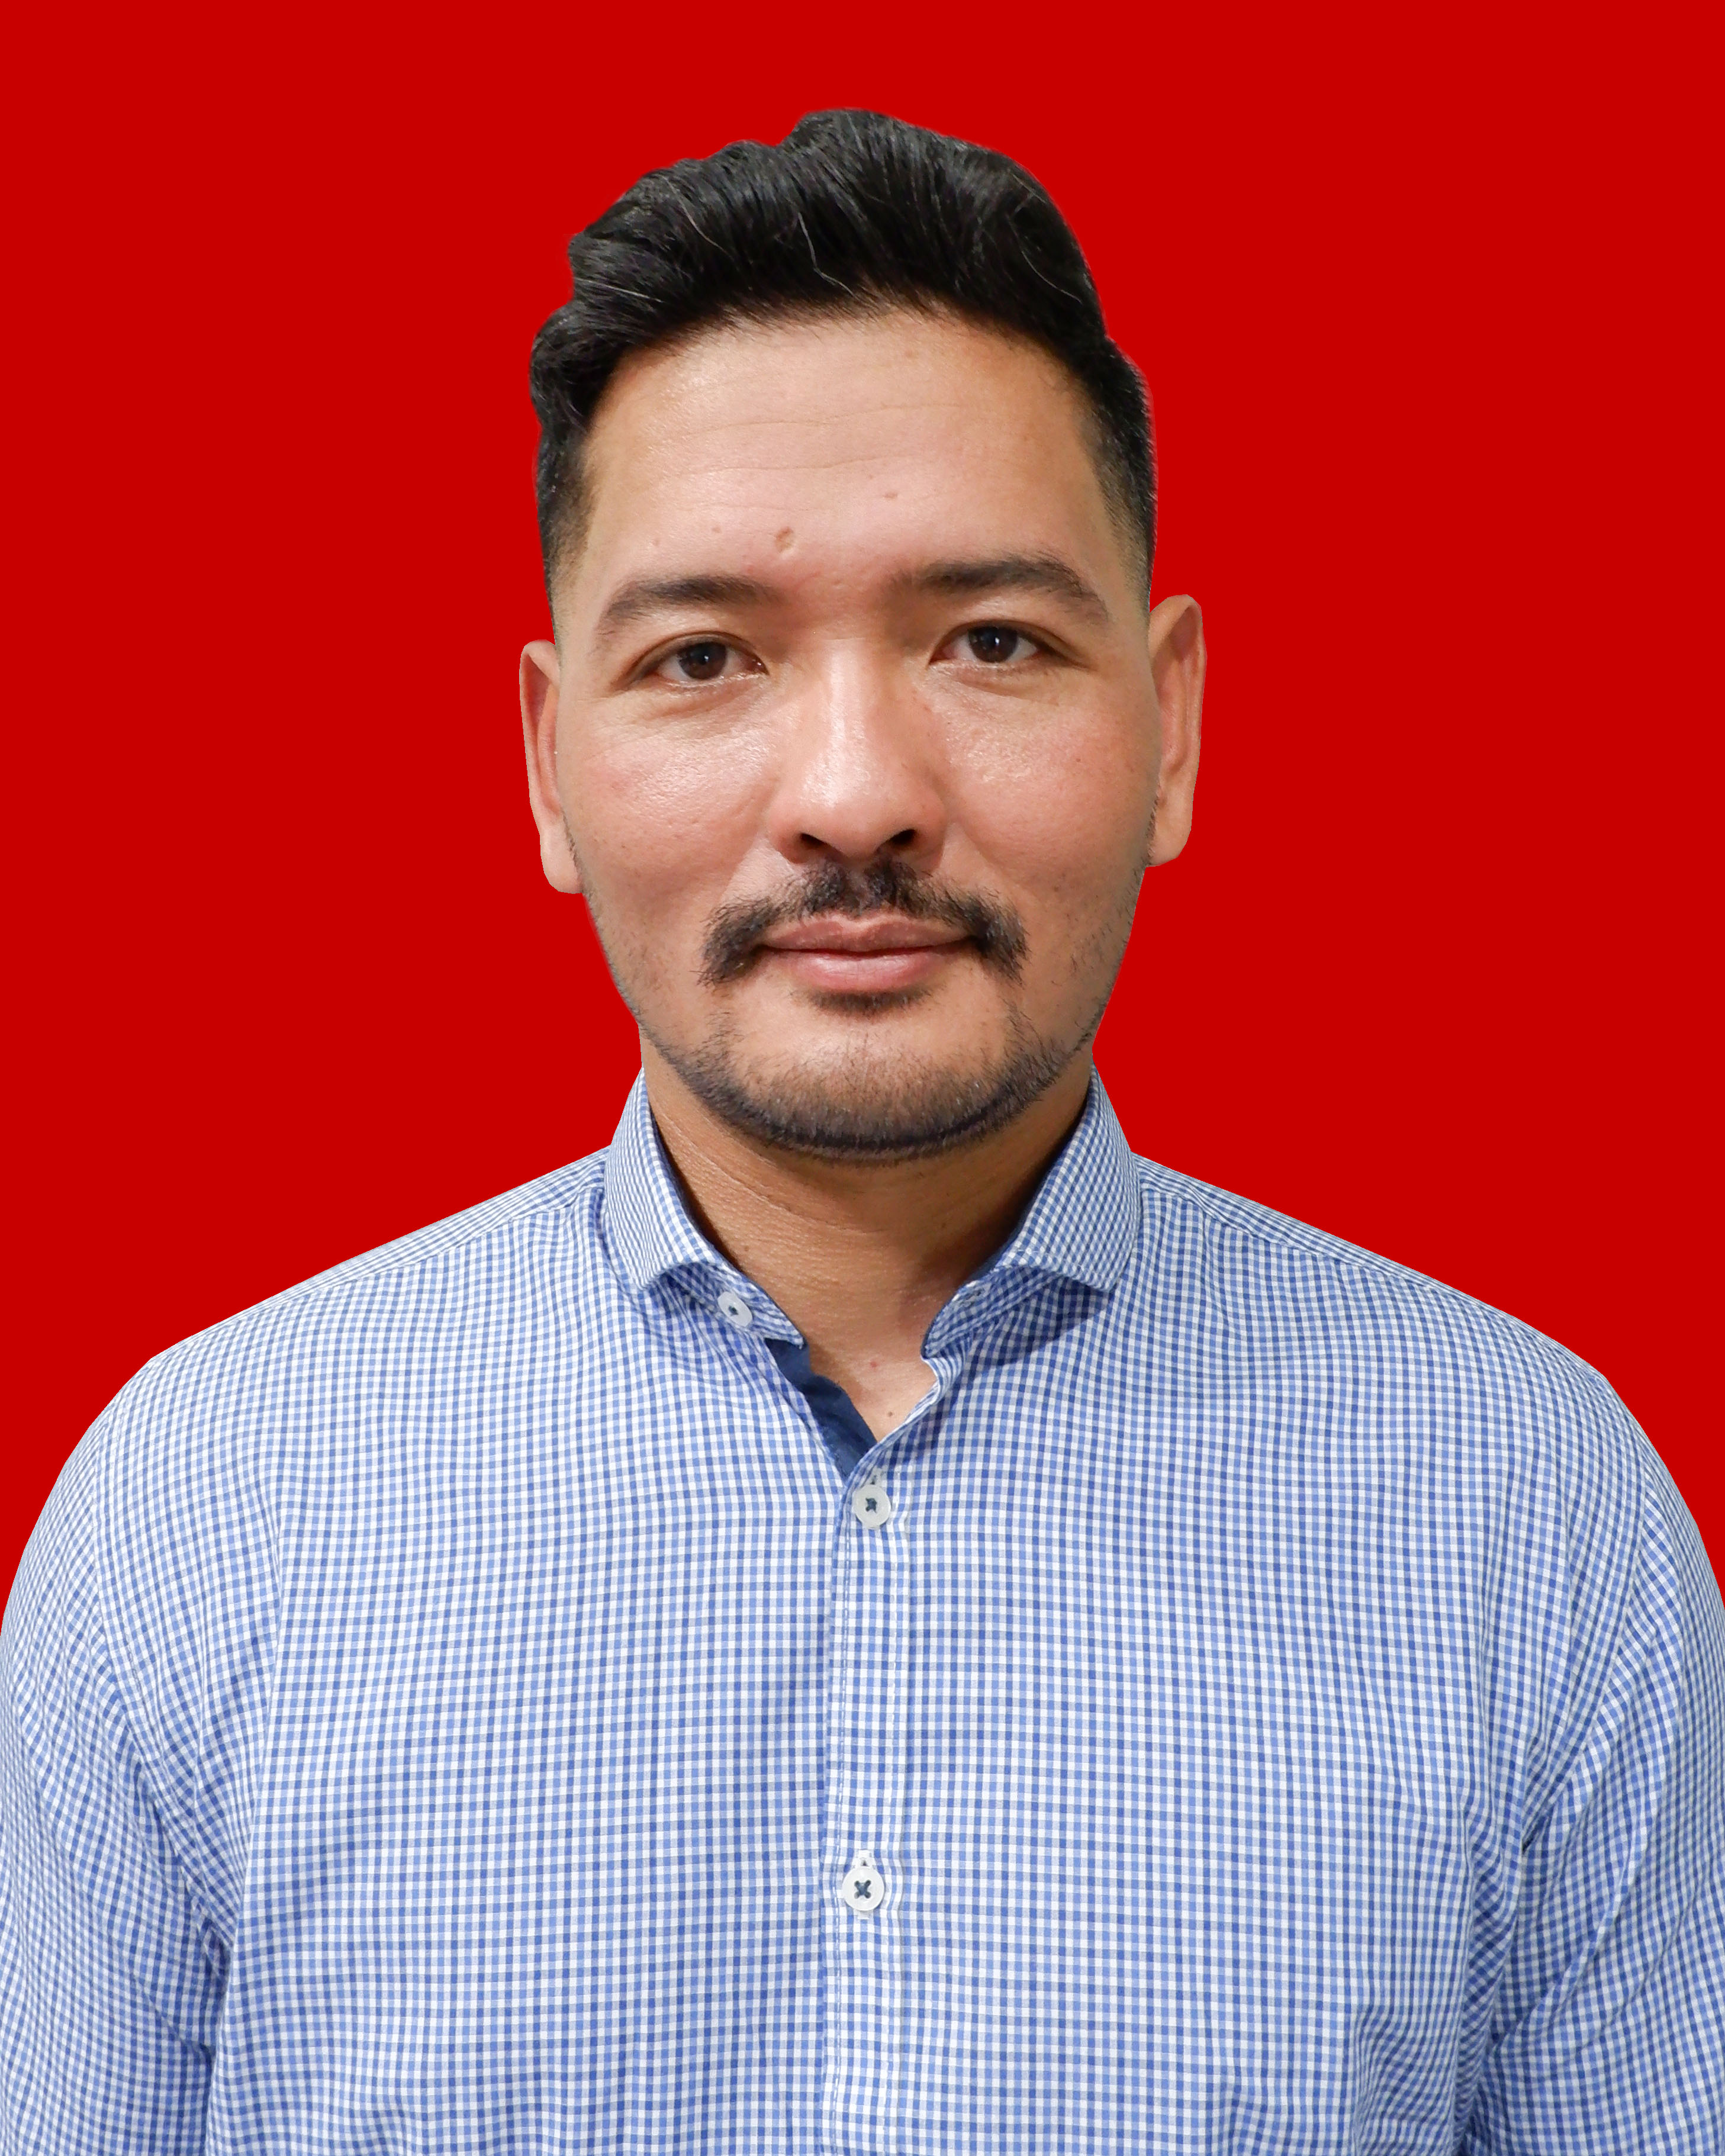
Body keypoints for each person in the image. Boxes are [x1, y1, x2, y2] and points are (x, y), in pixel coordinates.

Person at [2, 108, 1720, 2155]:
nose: (853, 795)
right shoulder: (200, 1513)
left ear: (1169, 721)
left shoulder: (1529, 1520)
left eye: (990, 641)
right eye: (703, 656)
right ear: (548, 761)